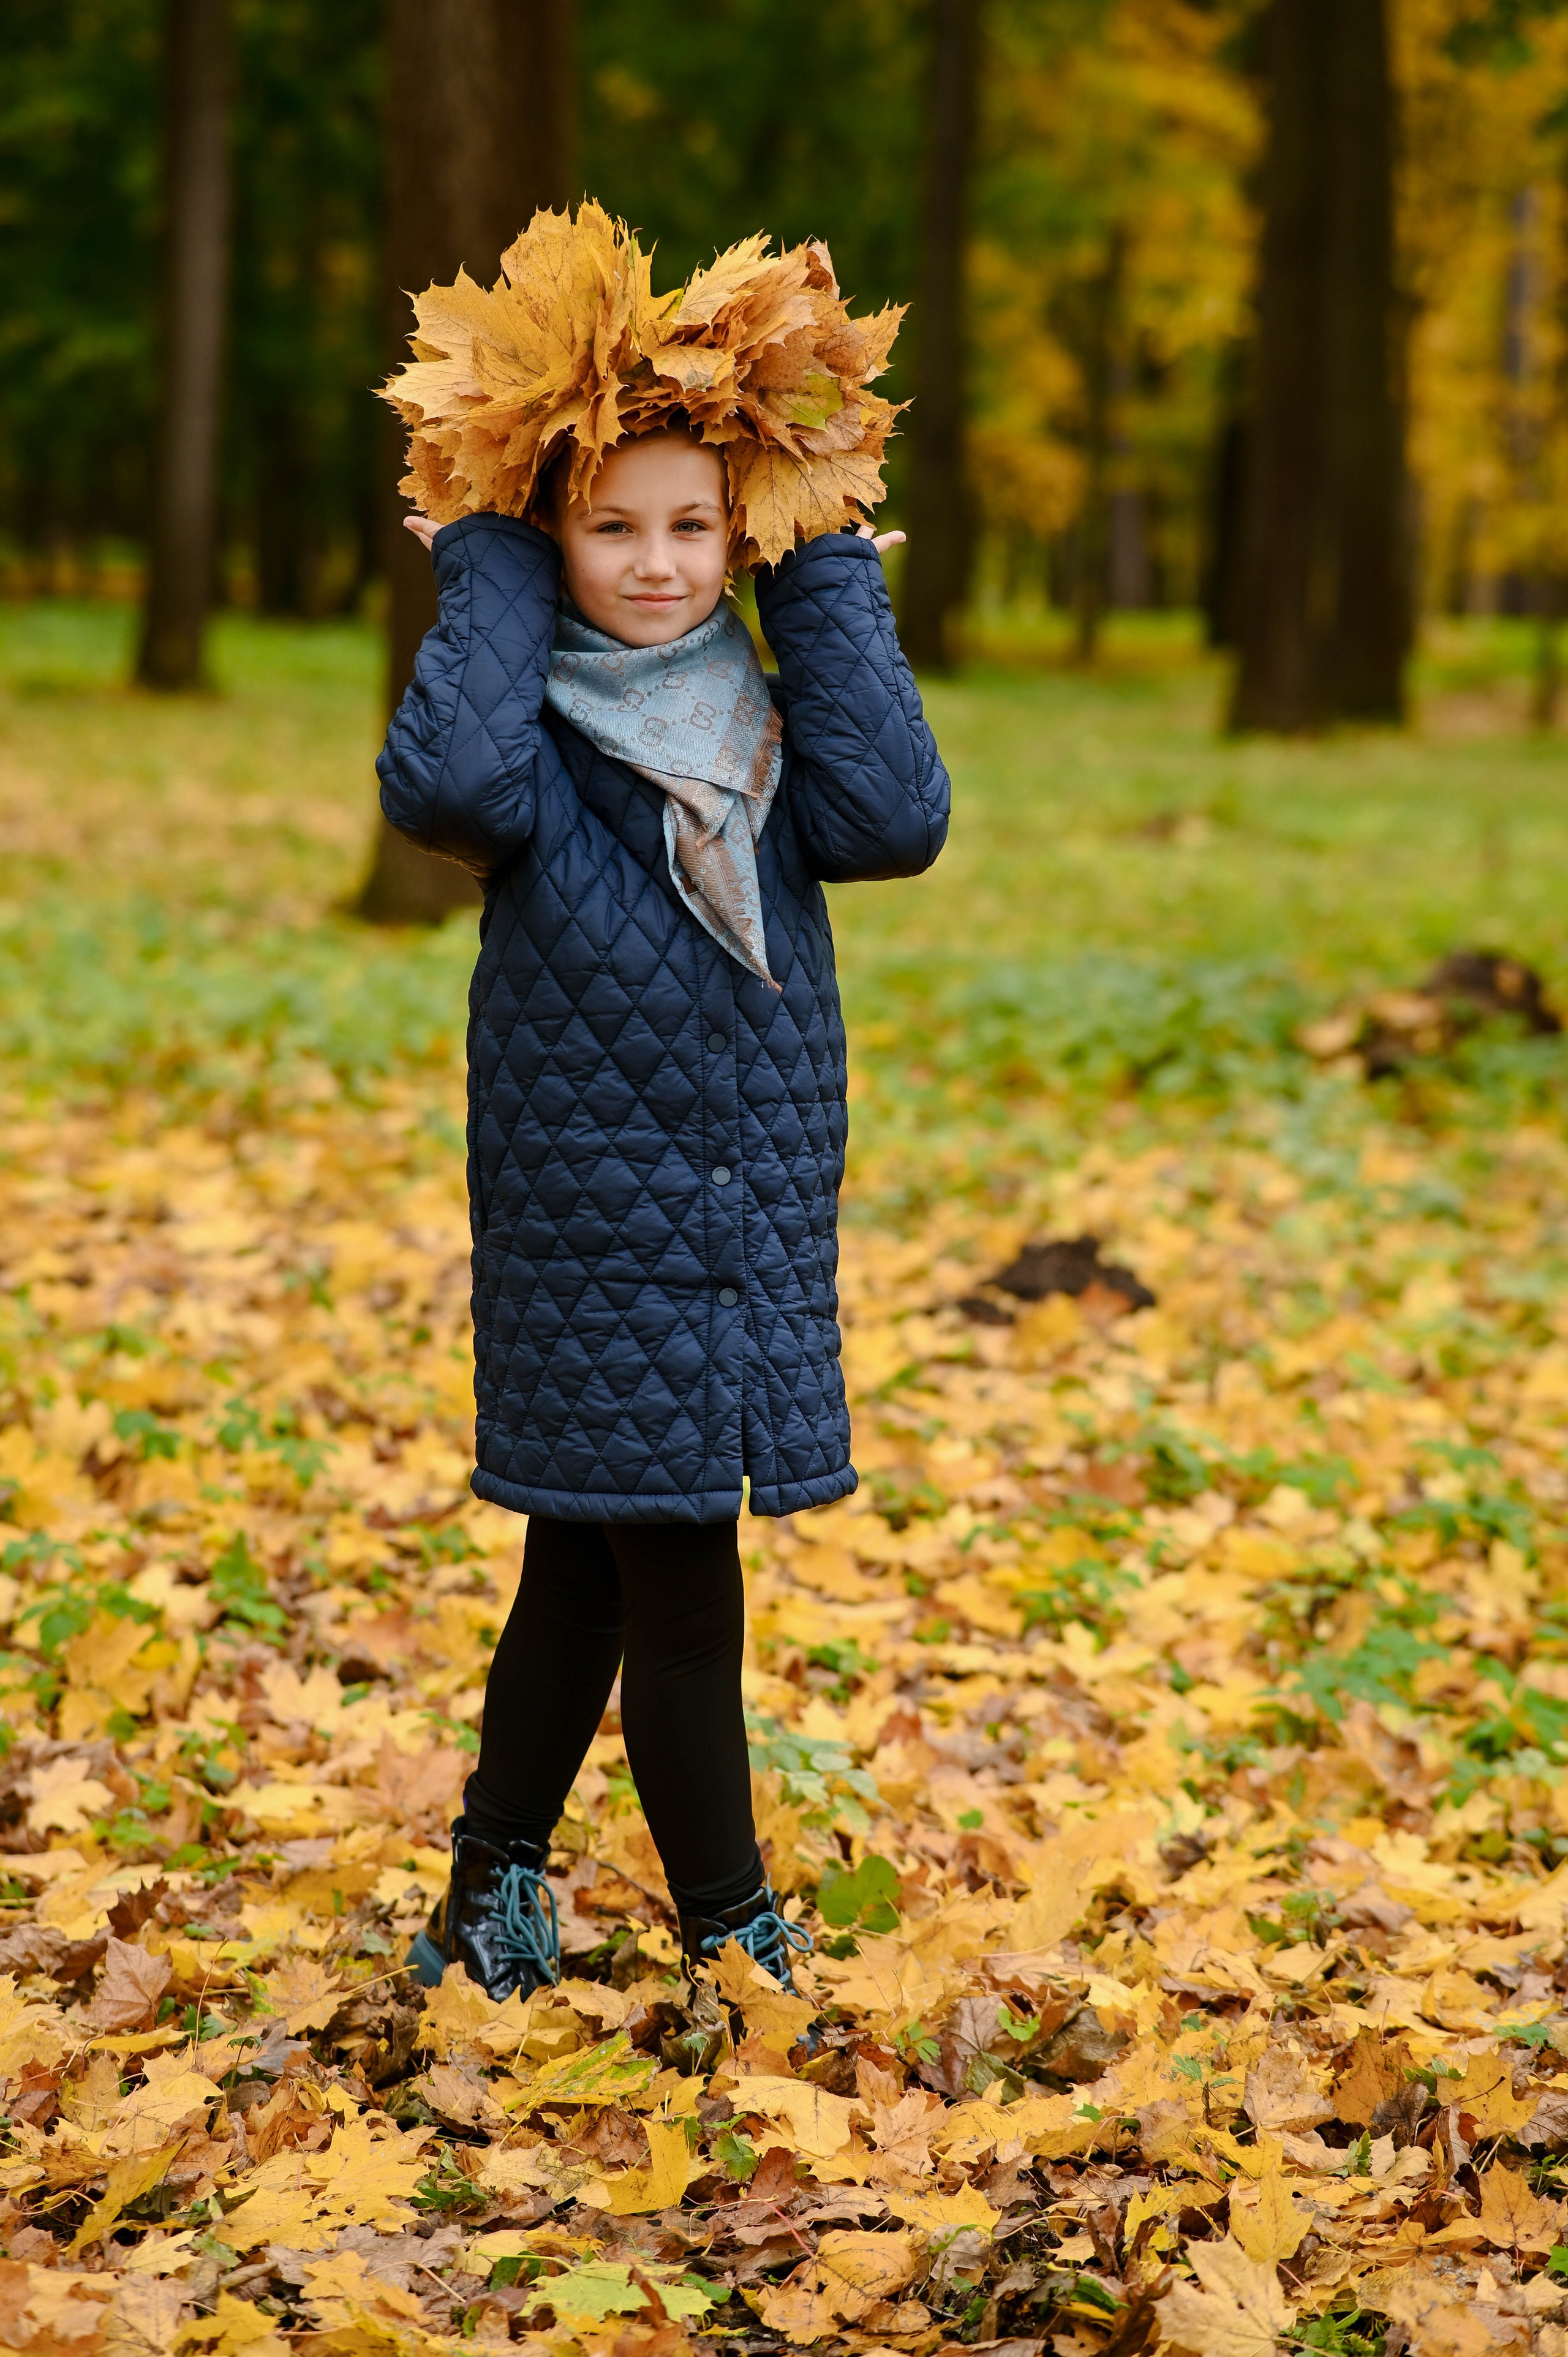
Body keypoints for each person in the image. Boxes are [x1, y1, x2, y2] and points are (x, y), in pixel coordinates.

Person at [377, 421, 949, 1999]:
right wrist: (488, 556)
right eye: (610, 527)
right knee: (685, 1578)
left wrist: (825, 570)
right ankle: (730, 1928)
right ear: (555, 543)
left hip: (746, 1207)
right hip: (595, 1224)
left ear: (737, 538)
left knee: (583, 1558)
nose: (655, 563)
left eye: (696, 526)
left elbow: (895, 820)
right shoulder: (531, 741)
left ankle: (487, 1891)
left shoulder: (771, 724)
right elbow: (445, 789)